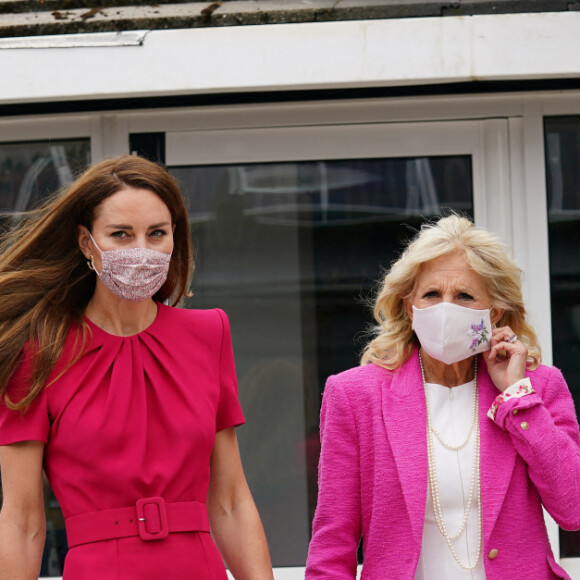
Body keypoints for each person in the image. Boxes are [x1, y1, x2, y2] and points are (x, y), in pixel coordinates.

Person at [0, 155, 274, 580]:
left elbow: (231, 500)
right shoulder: (38, 352)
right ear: (86, 242)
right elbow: (21, 523)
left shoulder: (209, 333)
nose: (142, 251)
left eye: (157, 233)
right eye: (121, 235)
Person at [305, 214, 580, 580]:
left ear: (493, 311)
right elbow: (332, 543)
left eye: (464, 296)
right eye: (431, 295)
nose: (445, 308)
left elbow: (573, 507)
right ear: (409, 306)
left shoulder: (538, 387)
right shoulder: (355, 396)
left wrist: (516, 397)